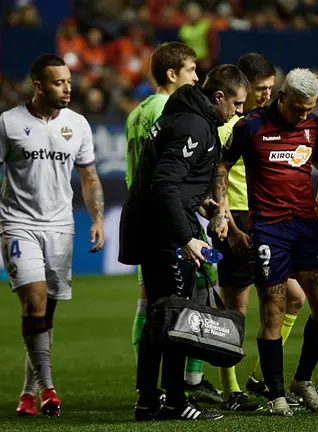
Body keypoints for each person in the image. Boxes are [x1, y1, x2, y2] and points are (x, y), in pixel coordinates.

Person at [0, 54, 105, 417]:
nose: (68, 88)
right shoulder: (9, 123)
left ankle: (28, 391)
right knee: (33, 303)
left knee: (45, 314)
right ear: (38, 86)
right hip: (18, 224)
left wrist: (97, 218)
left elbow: (90, 176)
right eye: (59, 82)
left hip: (61, 226)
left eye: (68, 81)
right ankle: (49, 388)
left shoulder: (77, 124)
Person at [119, 65, 249, 421]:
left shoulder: (186, 117)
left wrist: (206, 207)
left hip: (156, 226)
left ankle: (148, 401)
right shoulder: (193, 125)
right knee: (175, 316)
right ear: (218, 97)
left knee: (162, 315)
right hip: (164, 233)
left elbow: (177, 184)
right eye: (236, 104)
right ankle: (175, 401)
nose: (238, 112)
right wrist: (187, 239)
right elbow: (165, 186)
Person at [214, 68, 318, 416]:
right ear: (281, 97)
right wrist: (221, 209)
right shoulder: (251, 126)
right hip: (269, 230)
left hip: (305, 227)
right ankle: (275, 394)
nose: (304, 115)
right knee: (272, 310)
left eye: (310, 108)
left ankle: (302, 379)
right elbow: (222, 166)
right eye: (298, 108)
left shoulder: (312, 125)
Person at [124, 41, 223, 406]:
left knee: (152, 308)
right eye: (192, 71)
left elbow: (142, 168)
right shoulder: (176, 111)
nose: (196, 79)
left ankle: (149, 393)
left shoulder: (137, 113)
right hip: (168, 221)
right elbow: (168, 177)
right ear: (172, 75)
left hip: (147, 215)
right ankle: (183, 389)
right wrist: (186, 232)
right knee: (177, 310)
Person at [212, 53, 303, 410]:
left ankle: (261, 377)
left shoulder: (267, 123)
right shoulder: (226, 128)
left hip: (269, 220)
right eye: (260, 89)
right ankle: (231, 389)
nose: (266, 95)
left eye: (270, 88)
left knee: (293, 298)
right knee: (237, 308)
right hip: (236, 220)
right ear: (244, 88)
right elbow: (213, 178)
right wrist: (227, 222)